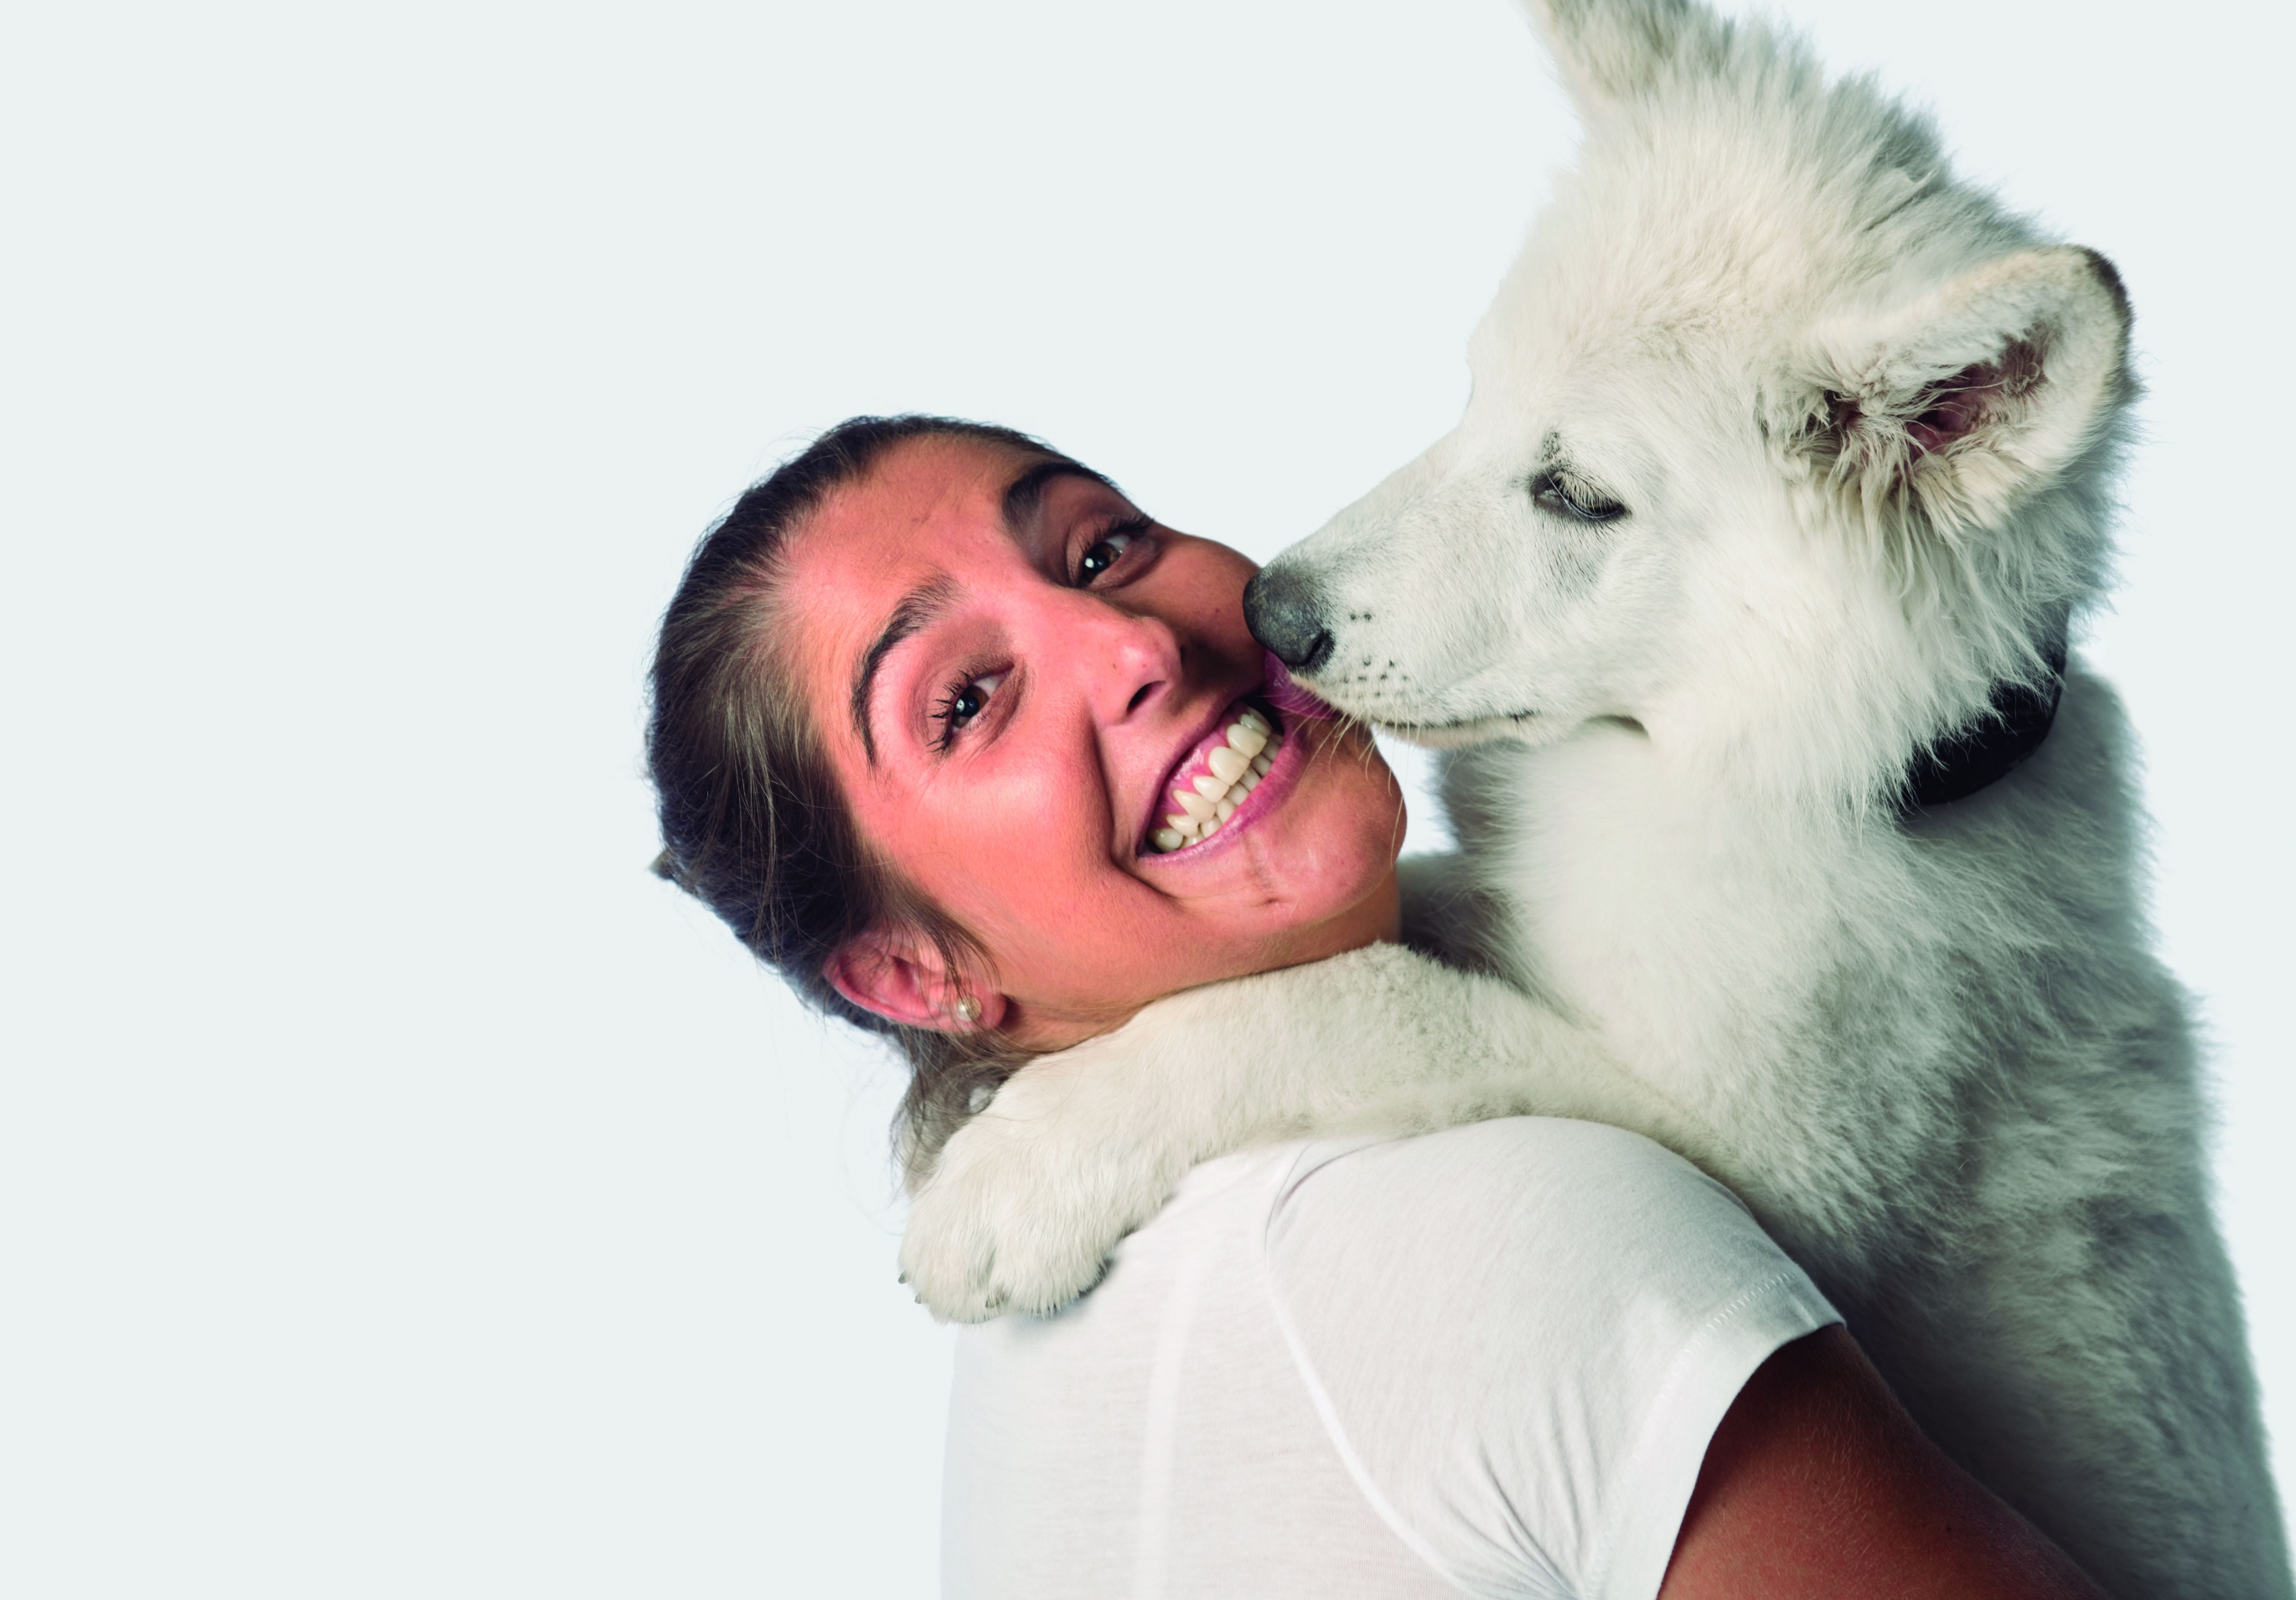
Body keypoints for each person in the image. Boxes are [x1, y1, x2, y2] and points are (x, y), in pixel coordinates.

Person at [647, 415, 2106, 1597]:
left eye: (1100, 548)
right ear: (913, 977)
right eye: (965, 702)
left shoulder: (1072, 1288)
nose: (1137, 644)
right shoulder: (1490, 1234)